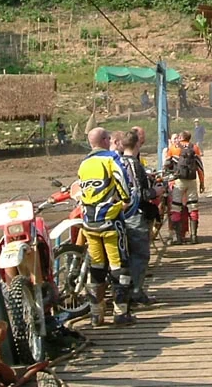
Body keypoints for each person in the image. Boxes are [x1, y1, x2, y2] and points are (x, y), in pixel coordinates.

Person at [77, 127, 135, 326]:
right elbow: (123, 183)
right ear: (104, 140)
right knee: (120, 267)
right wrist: (126, 199)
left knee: (97, 267)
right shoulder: (111, 159)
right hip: (110, 221)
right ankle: (121, 312)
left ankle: (96, 314)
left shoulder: (83, 164)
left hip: (89, 223)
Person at [120, 130, 156, 306]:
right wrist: (156, 191)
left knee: (123, 256)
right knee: (140, 254)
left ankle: (123, 293)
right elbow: (140, 193)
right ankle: (136, 292)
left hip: (117, 215)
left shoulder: (116, 162)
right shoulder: (134, 164)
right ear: (137, 145)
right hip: (134, 214)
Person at [164, 130, 205, 245]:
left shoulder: (173, 148)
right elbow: (200, 168)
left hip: (179, 181)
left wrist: (169, 178)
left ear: (181, 137)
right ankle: (194, 236)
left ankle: (178, 237)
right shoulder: (195, 148)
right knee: (193, 207)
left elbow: (166, 165)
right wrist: (202, 183)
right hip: (192, 181)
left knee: (176, 208)